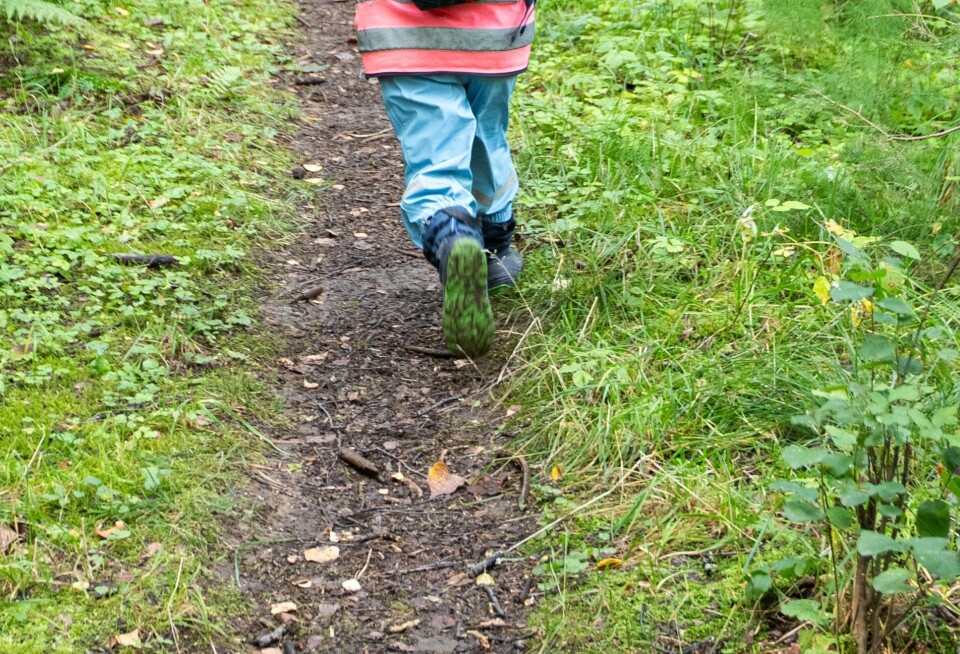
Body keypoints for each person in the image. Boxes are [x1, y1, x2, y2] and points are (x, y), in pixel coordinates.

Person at [354, 0, 535, 358]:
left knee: (436, 157)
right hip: (495, 32)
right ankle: (494, 247)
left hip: (404, 35)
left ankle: (454, 235)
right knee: (487, 135)